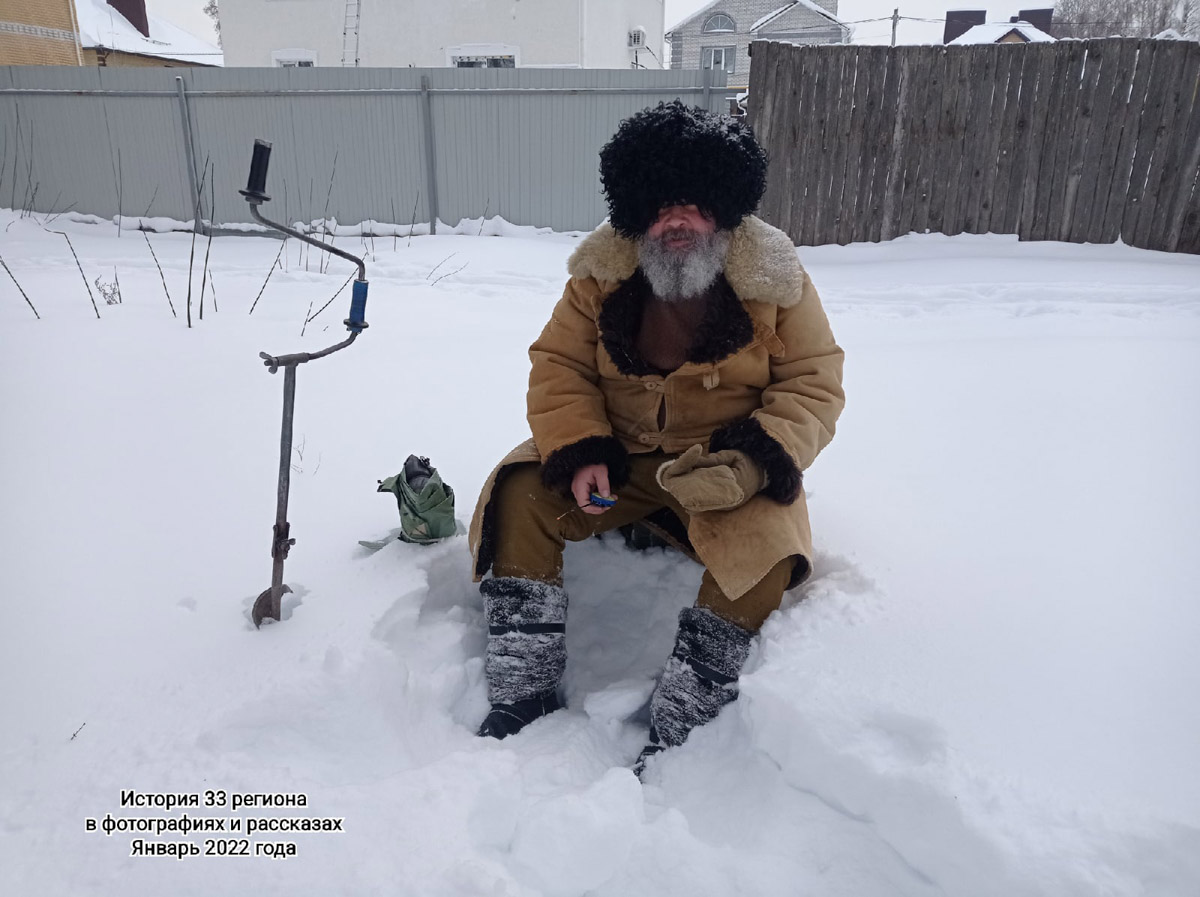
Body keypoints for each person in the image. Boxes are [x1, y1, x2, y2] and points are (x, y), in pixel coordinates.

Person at [467, 99, 845, 771]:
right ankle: (524, 683)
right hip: (623, 465)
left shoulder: (776, 280)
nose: (677, 220)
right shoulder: (599, 276)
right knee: (520, 491)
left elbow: (814, 382)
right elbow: (559, 365)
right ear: (638, 208)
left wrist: (756, 462)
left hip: (727, 471)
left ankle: (685, 712)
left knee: (766, 547)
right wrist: (581, 447)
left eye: (695, 204)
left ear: (723, 208)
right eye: (662, 204)